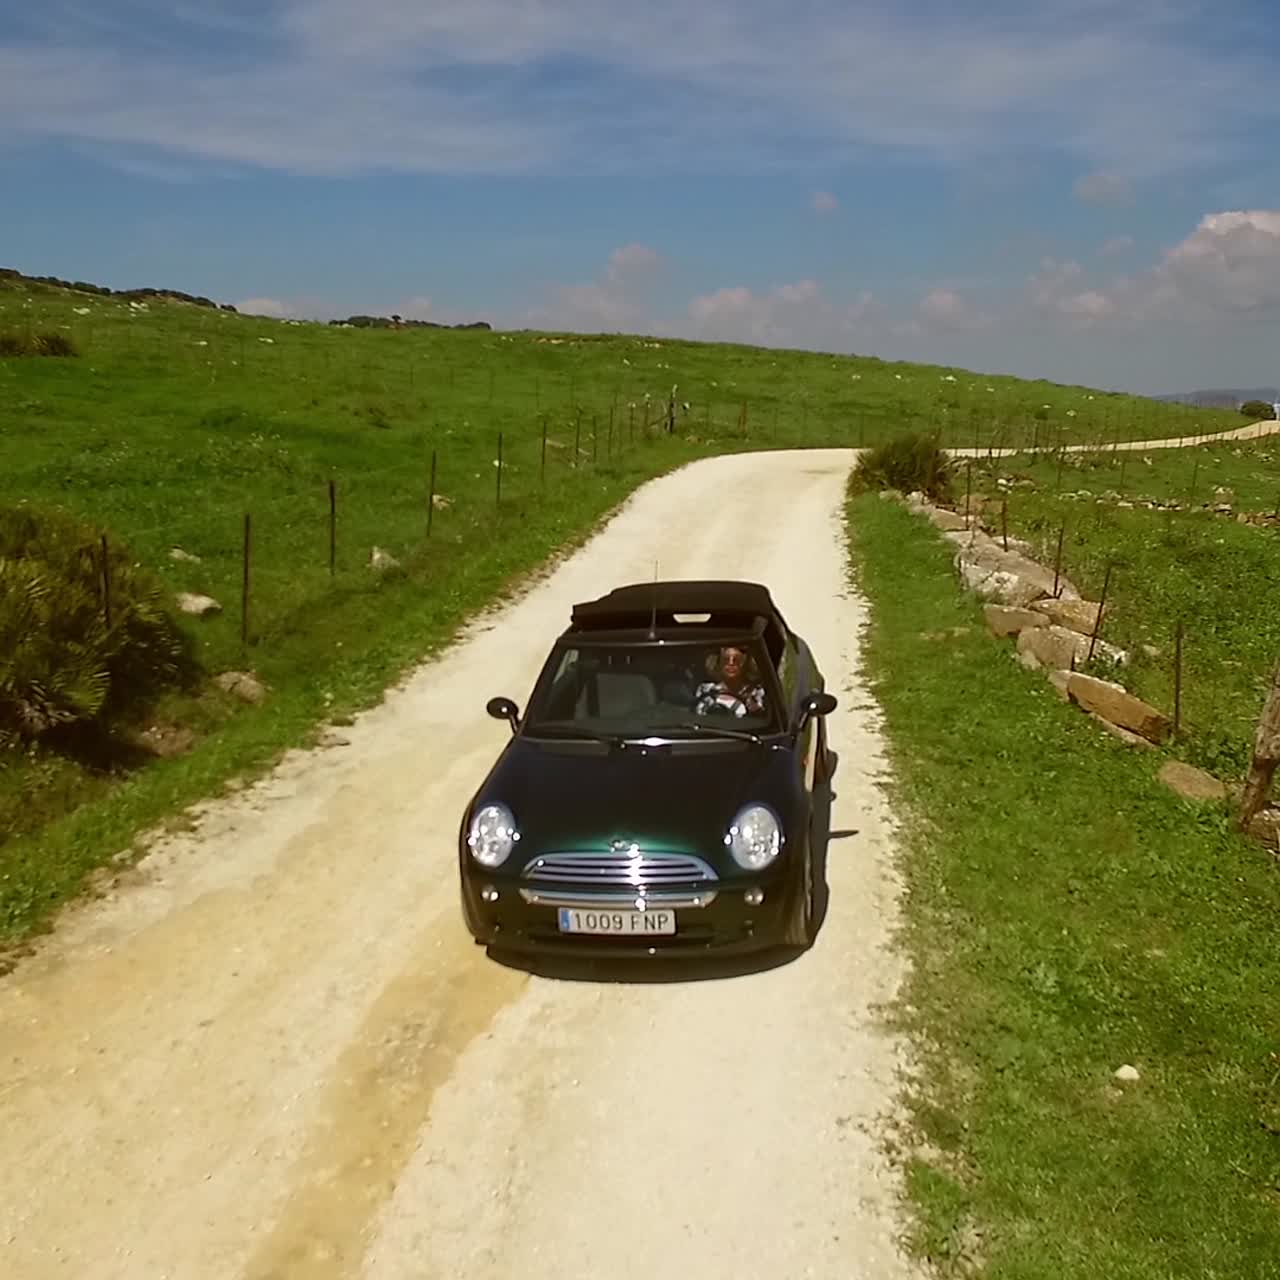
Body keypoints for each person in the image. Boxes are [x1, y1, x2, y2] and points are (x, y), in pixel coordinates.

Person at [694, 644, 766, 718]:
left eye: (736, 659)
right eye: (726, 659)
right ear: (719, 663)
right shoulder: (706, 689)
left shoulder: (755, 693)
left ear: (746, 663)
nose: (731, 663)